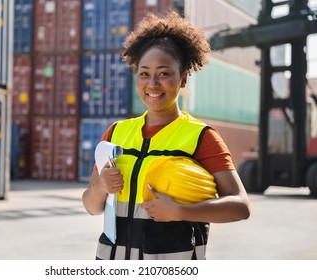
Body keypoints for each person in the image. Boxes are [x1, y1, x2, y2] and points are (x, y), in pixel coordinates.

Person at [82, 10, 250, 260]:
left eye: (164, 73)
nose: (152, 83)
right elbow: (91, 206)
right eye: (144, 73)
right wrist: (100, 187)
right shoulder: (116, 133)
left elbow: (240, 206)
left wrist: (180, 211)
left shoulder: (201, 136)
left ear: (182, 79)